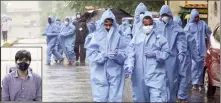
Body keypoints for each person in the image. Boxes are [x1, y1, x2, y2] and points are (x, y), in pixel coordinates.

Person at [124, 11, 169, 102]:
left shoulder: (159, 37)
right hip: (139, 75)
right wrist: (130, 65)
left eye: (150, 23)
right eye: (146, 23)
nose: (148, 26)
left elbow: (167, 52)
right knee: (140, 98)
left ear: (153, 23)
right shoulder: (137, 36)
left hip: (156, 75)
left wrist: (156, 54)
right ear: (142, 23)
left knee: (157, 98)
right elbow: (130, 51)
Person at [86, 9, 126, 102]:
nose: (108, 27)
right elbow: (91, 55)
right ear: (102, 23)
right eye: (106, 25)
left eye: (110, 25)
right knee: (100, 97)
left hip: (115, 72)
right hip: (99, 72)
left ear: (113, 24)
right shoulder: (95, 37)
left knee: (115, 98)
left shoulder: (119, 36)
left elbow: (124, 54)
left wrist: (117, 55)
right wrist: (103, 55)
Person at [157, 5, 187, 102]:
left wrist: (181, 52)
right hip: (159, 58)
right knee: (158, 83)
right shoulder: (156, 26)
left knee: (171, 83)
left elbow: (181, 41)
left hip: (171, 59)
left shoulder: (176, 27)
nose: (165, 17)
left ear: (170, 15)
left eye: (167, 15)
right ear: (160, 15)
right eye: (163, 15)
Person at [174, 16, 201, 103]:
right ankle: (181, 97)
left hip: (174, 61)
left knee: (175, 79)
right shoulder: (187, 34)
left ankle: (176, 96)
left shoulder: (170, 34)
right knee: (184, 79)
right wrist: (197, 59)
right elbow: (193, 49)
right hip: (184, 61)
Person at [184, 9, 212, 90]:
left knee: (201, 67)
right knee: (193, 67)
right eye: (195, 17)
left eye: (197, 17)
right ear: (192, 17)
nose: (197, 18)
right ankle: (194, 83)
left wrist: (211, 42)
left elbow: (209, 34)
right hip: (193, 51)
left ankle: (199, 83)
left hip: (202, 50)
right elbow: (184, 37)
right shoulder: (188, 26)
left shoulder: (203, 24)